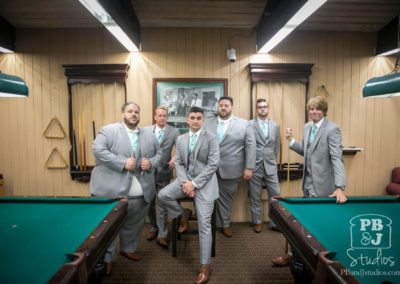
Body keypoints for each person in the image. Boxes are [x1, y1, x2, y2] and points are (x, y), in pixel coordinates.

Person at [272, 96, 347, 266]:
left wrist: (340, 187)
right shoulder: (307, 127)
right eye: (311, 109)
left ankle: (318, 261)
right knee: (303, 223)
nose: (313, 112)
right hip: (307, 185)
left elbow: (337, 159)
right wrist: (291, 141)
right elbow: (307, 153)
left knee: (319, 226)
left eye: (317, 109)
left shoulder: (332, 129)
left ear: (324, 110)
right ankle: (295, 255)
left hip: (323, 187)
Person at [90, 102, 162, 274]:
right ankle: (106, 259)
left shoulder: (149, 134)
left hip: (141, 192)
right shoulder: (108, 130)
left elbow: (160, 154)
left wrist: (151, 162)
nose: (134, 114)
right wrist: (122, 162)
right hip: (111, 191)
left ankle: (128, 249)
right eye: (130, 111)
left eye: (136, 112)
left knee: (134, 224)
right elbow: (97, 149)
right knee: (108, 229)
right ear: (122, 114)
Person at [157, 106, 219, 284]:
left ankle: (205, 266)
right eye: (192, 118)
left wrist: (195, 184)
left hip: (205, 184)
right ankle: (183, 214)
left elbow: (213, 165)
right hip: (185, 182)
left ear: (203, 120)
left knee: (204, 225)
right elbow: (179, 162)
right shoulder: (181, 138)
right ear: (187, 119)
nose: (195, 121)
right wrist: (186, 183)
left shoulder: (212, 138)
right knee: (162, 195)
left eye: (199, 118)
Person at [203, 96, 256, 238]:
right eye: (221, 105)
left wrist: (249, 167)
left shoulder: (245, 124)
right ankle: (207, 226)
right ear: (217, 107)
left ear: (232, 107)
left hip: (233, 169)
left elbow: (251, 146)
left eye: (226, 105)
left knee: (226, 199)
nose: (223, 108)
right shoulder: (207, 123)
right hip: (208, 169)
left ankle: (224, 225)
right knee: (206, 198)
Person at [144, 106, 180, 247]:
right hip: (147, 173)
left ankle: (162, 234)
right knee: (149, 203)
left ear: (167, 117)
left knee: (162, 204)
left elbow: (181, 147)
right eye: (159, 115)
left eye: (165, 116)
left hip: (164, 172)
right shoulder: (146, 131)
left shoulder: (174, 131)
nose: (162, 118)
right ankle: (153, 228)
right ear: (155, 117)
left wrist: (174, 158)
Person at [248, 99, 281, 233]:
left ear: (268, 109)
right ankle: (257, 222)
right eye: (260, 107)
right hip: (254, 166)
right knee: (255, 196)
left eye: (265, 107)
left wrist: (273, 160)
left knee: (275, 195)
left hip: (271, 166)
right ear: (256, 109)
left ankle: (275, 223)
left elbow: (277, 147)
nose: (262, 109)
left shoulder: (275, 126)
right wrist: (248, 165)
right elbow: (247, 145)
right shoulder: (249, 124)